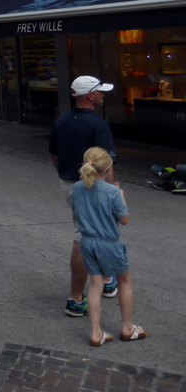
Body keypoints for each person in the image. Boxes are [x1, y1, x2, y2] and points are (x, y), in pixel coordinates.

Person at [49, 75, 118, 317]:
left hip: (69, 183)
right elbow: (107, 164)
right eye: (100, 91)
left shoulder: (61, 121)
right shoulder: (98, 125)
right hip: (92, 187)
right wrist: (112, 191)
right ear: (90, 96)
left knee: (95, 231)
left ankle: (107, 278)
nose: (103, 95)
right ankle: (75, 297)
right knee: (85, 235)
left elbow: (54, 155)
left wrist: (65, 176)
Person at [72, 147, 145, 347]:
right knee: (124, 281)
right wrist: (121, 196)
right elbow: (124, 219)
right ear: (108, 168)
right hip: (108, 243)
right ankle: (127, 327)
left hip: (87, 242)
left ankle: (96, 332)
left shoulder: (77, 188)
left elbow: (76, 213)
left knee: (96, 286)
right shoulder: (112, 191)